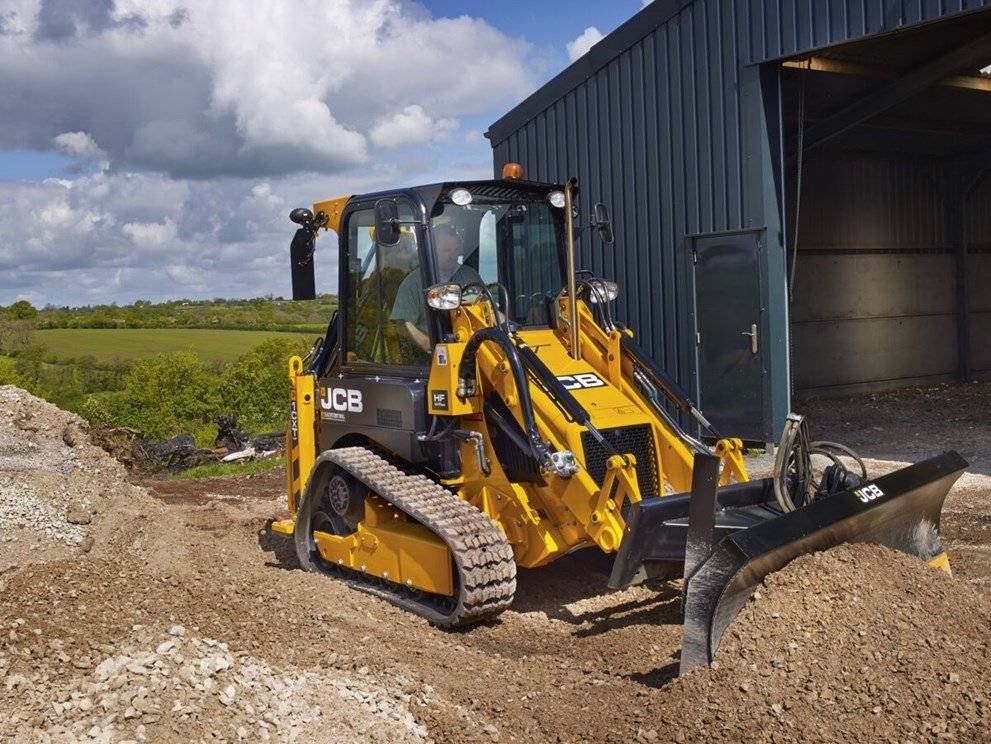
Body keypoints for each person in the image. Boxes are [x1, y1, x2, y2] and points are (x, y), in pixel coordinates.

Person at [390, 215, 483, 353]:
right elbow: (401, 323)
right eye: (447, 251)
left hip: (473, 351)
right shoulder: (414, 282)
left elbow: (489, 310)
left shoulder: (469, 275)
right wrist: (428, 344)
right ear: (432, 250)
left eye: (455, 250)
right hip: (430, 358)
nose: (453, 256)